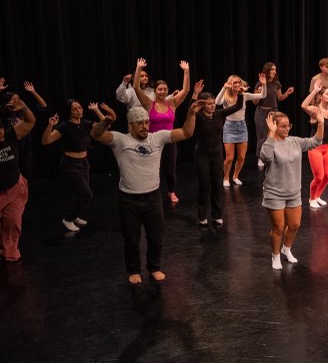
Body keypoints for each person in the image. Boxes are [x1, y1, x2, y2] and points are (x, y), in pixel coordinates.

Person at [91, 102, 199, 284]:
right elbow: (96, 134)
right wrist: (108, 119)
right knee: (132, 239)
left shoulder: (158, 138)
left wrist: (191, 114)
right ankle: (133, 270)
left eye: (146, 122)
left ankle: (154, 267)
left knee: (156, 237)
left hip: (152, 198)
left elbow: (186, 133)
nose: (144, 126)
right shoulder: (120, 140)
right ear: (130, 125)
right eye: (139, 123)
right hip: (128, 200)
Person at [260, 109, 324, 270]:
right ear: (274, 126)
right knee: (278, 228)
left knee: (295, 225)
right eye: (283, 126)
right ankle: (275, 256)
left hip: (293, 192)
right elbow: (265, 157)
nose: (287, 129)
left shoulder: (294, 141)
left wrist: (321, 123)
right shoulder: (270, 143)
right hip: (274, 193)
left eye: (288, 126)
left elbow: (315, 142)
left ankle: (286, 249)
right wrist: (270, 135)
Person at [133, 57, 190, 205]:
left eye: (165, 89)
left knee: (170, 171)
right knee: (152, 169)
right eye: (160, 89)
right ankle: (151, 192)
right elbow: (136, 88)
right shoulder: (148, 103)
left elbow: (186, 90)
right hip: (152, 141)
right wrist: (138, 69)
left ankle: (171, 191)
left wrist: (186, 71)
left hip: (169, 141)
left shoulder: (172, 103)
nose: (162, 91)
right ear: (155, 91)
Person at [42, 100, 103, 232]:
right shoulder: (64, 126)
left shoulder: (85, 124)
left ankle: (75, 216)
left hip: (84, 164)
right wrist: (50, 125)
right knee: (86, 195)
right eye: (75, 109)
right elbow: (46, 141)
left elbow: (105, 125)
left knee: (79, 194)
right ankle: (68, 219)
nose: (79, 110)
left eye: (80, 108)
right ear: (69, 112)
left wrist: (96, 110)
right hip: (70, 164)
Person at [191, 85, 243, 226]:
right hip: (202, 154)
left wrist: (241, 93)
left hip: (217, 154)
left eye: (214, 103)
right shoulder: (198, 116)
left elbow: (237, 106)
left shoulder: (219, 114)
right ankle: (202, 215)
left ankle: (217, 214)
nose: (213, 105)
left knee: (216, 185)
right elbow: (190, 109)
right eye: (209, 103)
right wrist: (195, 94)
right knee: (204, 185)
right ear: (202, 105)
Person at [0, 90, 37, 262]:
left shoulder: (10, 135)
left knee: (13, 222)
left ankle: (10, 250)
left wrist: (24, 108)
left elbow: (30, 121)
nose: (0, 133)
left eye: (1, 129)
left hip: (14, 187)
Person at [217, 73, 266, 186]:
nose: (238, 84)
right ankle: (225, 178)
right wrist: (224, 87)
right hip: (229, 126)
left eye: (239, 82)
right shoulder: (226, 95)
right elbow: (216, 102)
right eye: (235, 82)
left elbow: (262, 95)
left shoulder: (244, 95)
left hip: (242, 126)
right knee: (229, 158)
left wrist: (264, 85)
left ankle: (235, 176)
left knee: (242, 157)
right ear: (230, 84)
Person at [254, 62, 295, 169]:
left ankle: (274, 155)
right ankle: (260, 157)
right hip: (262, 112)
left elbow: (280, 98)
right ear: (267, 71)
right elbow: (254, 102)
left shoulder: (276, 83)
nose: (274, 71)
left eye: (275, 70)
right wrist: (259, 93)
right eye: (272, 69)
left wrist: (287, 93)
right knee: (262, 135)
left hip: (274, 112)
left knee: (275, 134)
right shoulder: (259, 84)